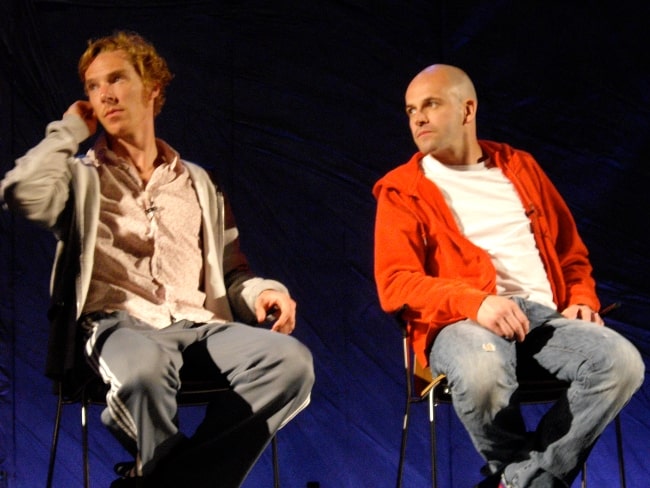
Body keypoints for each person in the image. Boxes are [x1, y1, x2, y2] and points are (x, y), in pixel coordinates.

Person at [1, 31, 314, 487]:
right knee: (144, 371)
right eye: (92, 86)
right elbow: (20, 190)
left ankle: (160, 475)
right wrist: (69, 131)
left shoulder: (200, 183)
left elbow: (231, 272)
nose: (104, 93)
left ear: (153, 88)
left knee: (291, 363)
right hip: (117, 327)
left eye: (116, 79)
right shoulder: (80, 179)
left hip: (200, 329)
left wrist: (266, 291)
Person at [373, 64, 644, 488]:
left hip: (543, 318)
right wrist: (475, 302)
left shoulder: (519, 166)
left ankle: (515, 481)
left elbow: (571, 254)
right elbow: (396, 283)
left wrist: (582, 299)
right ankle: (530, 482)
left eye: (430, 104)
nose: (418, 118)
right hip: (458, 324)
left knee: (621, 362)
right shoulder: (402, 189)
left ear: (467, 110)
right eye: (410, 111)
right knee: (482, 372)